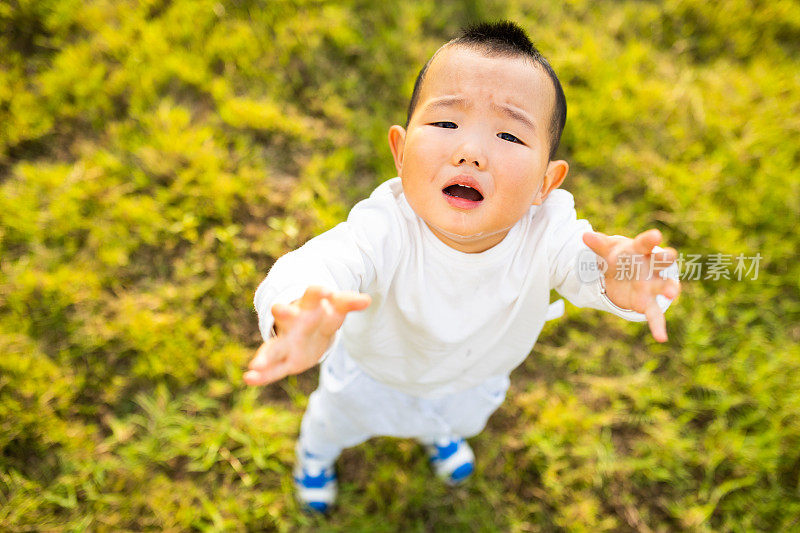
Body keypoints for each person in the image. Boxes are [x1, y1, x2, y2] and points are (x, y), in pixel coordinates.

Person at [244, 20, 681, 513]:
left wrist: (620, 277)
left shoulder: (548, 232)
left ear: (545, 181)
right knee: (332, 423)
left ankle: (440, 435)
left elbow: (582, 264)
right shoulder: (384, 227)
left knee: (452, 419)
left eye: (510, 136)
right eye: (446, 124)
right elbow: (324, 263)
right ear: (401, 150)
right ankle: (315, 458)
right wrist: (296, 309)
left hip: (472, 380)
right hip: (372, 376)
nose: (470, 152)